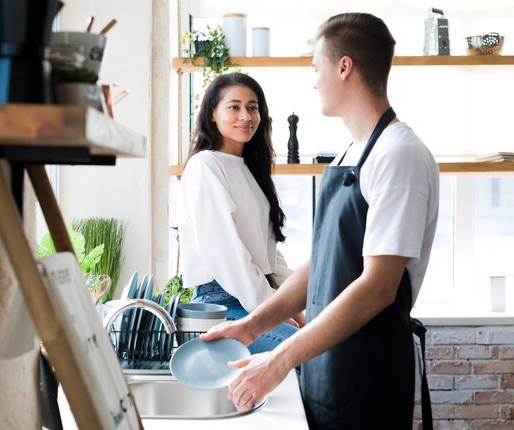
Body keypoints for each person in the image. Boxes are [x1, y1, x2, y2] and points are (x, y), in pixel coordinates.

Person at [201, 12, 439, 429]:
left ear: (343, 67)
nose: (313, 80)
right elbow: (324, 262)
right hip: (329, 360)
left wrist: (278, 360)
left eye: (316, 67)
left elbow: (378, 288)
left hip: (368, 370)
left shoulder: (399, 155)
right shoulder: (354, 152)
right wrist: (253, 326)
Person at [177, 72, 301, 354]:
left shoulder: (250, 170)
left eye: (253, 107)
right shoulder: (205, 165)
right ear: (212, 114)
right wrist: (274, 309)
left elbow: (266, 253)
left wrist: (300, 298)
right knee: (317, 357)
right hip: (223, 305)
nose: (245, 116)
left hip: (254, 296)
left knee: (331, 346)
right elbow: (226, 255)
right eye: (234, 107)